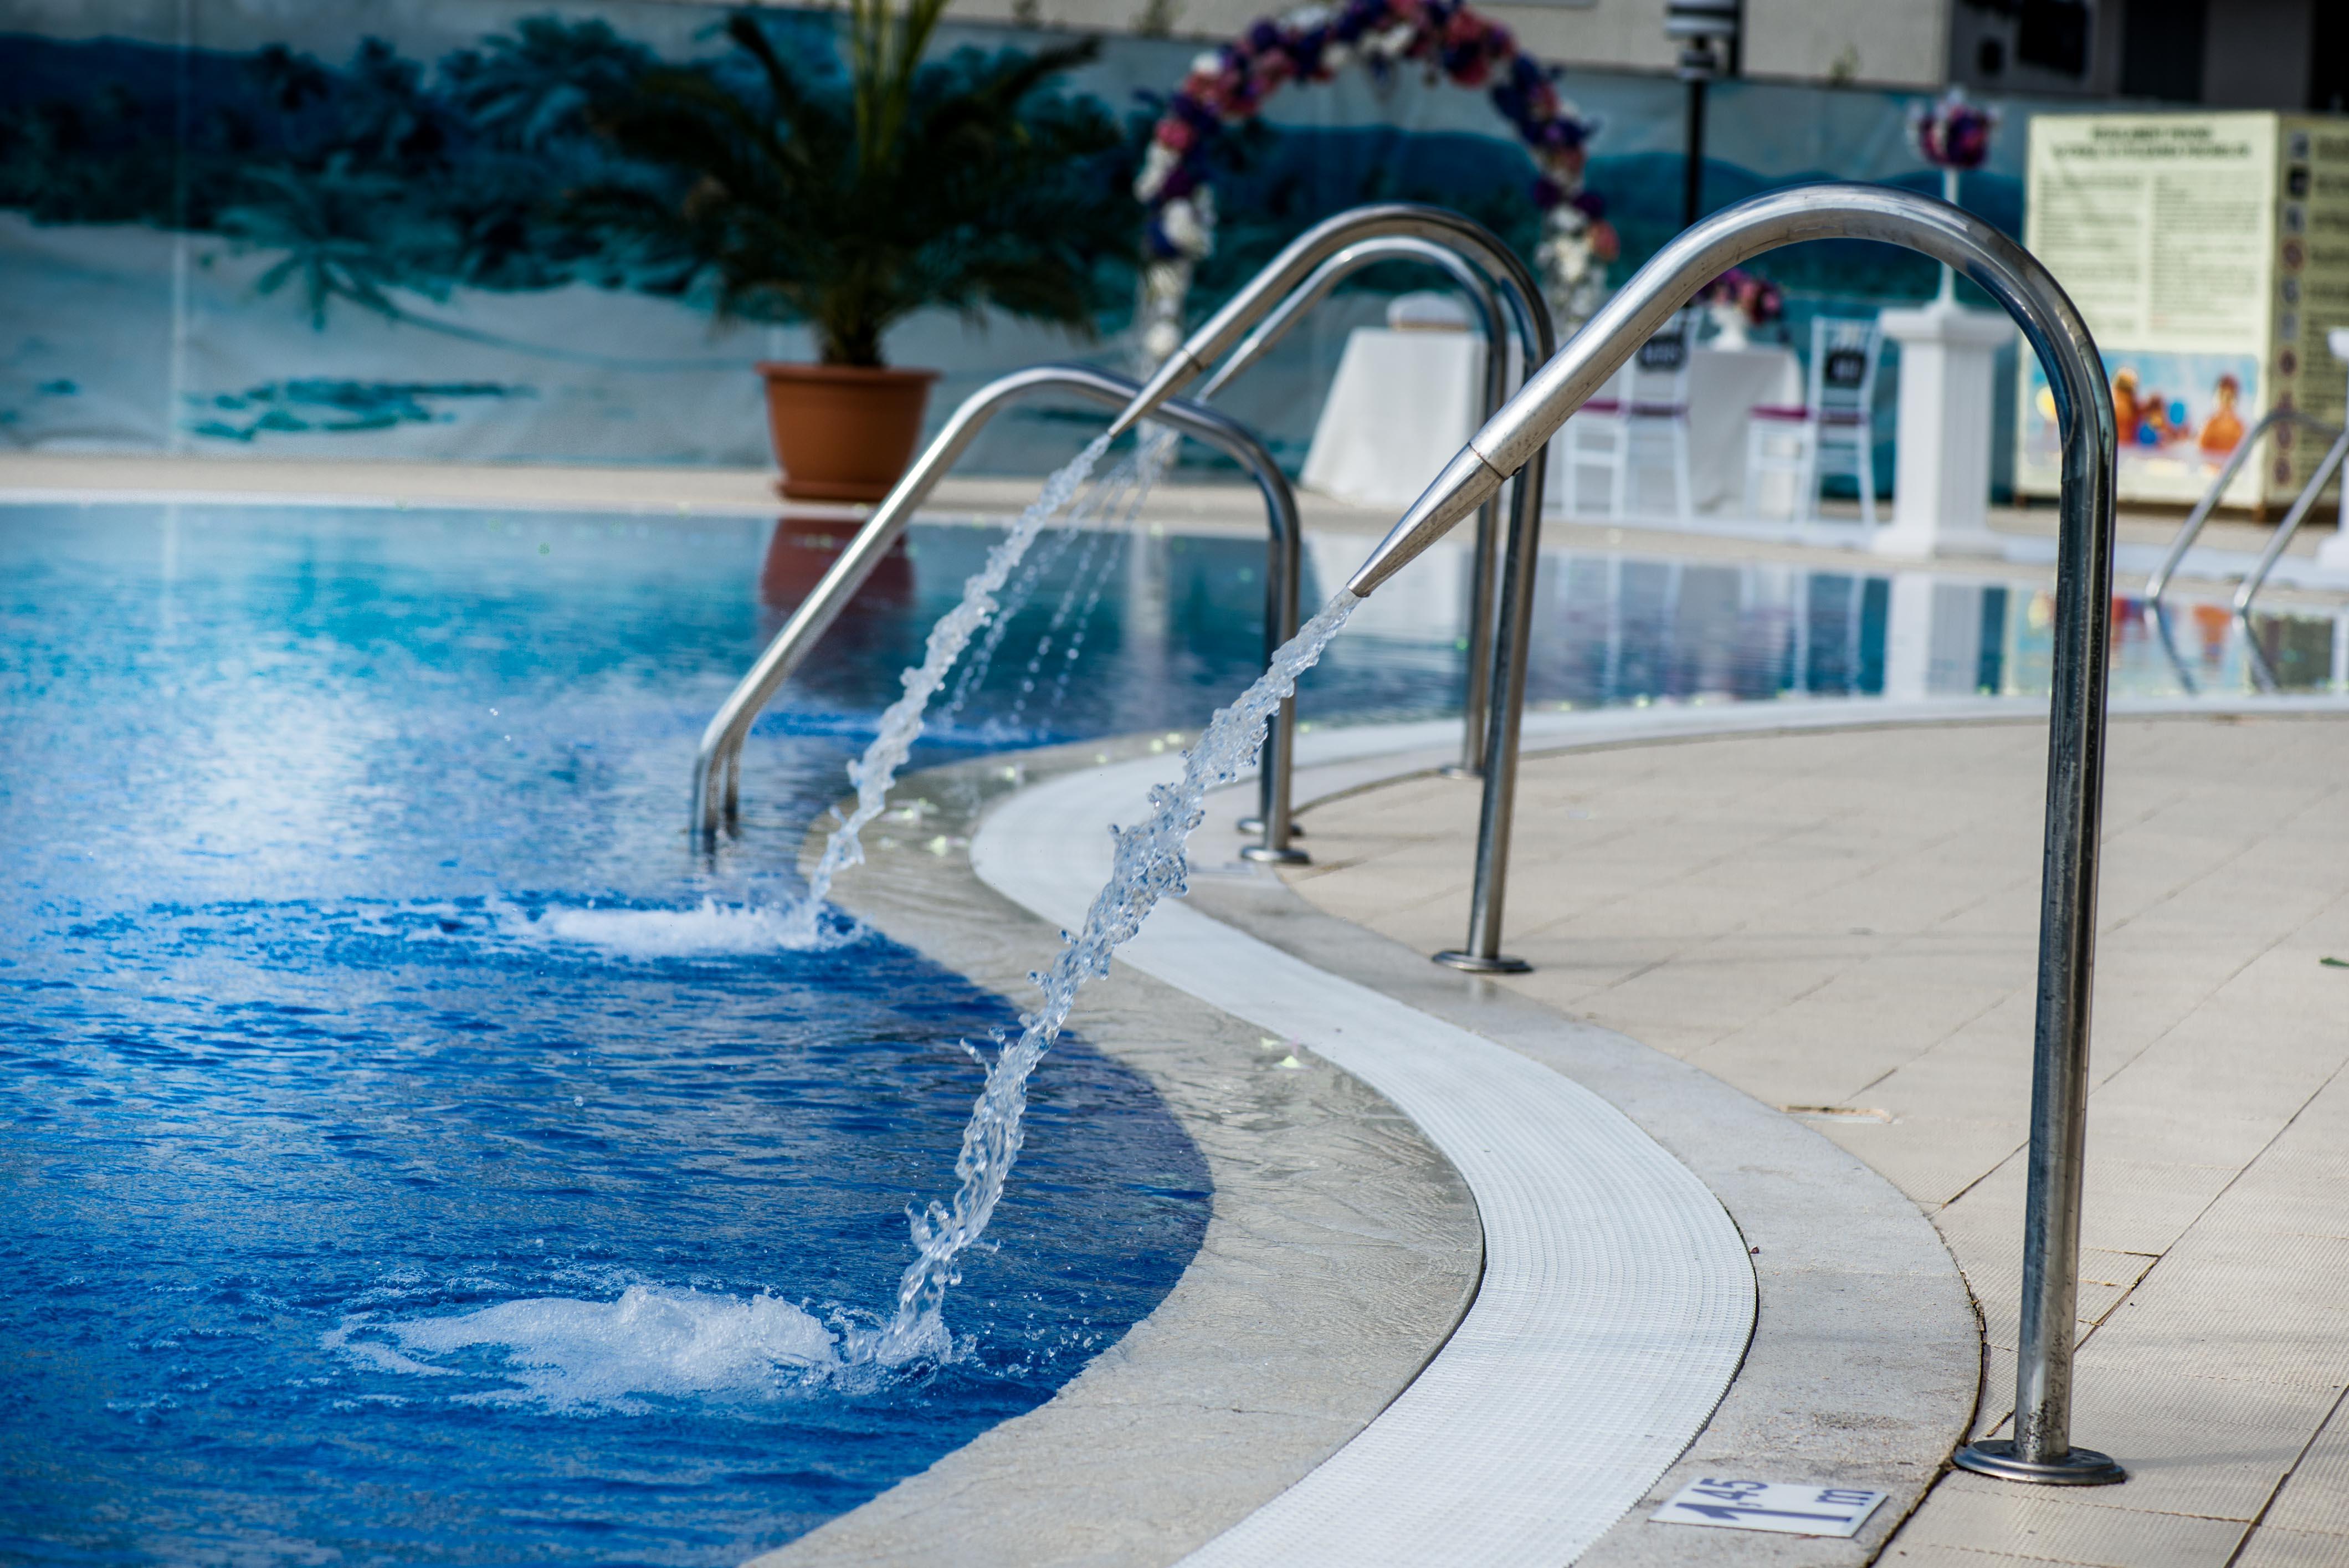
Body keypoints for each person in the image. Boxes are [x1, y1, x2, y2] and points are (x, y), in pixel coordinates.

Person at [2200, 373, 2245, 457]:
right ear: (2215, 398)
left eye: (2229, 398)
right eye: (2221, 397)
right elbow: (2200, 451)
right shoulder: (2210, 425)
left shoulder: (2238, 428)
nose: (2225, 403)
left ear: (2236, 401)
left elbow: (2244, 455)